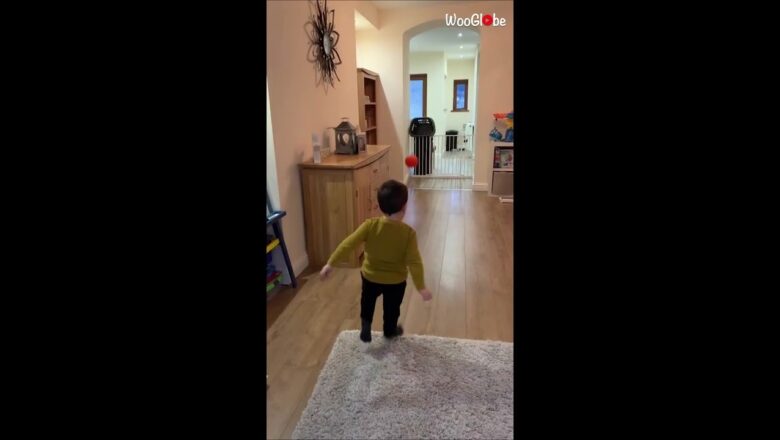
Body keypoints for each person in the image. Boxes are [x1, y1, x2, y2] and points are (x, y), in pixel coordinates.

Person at [320, 179, 433, 342]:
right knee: (392, 308)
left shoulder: (370, 226)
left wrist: (331, 263)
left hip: (370, 277)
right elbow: (415, 262)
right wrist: (421, 287)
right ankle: (389, 330)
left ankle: (366, 326)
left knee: (367, 301)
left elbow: (348, 244)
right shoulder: (408, 234)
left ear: (380, 207)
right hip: (395, 282)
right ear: (404, 207)